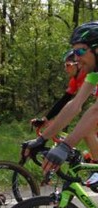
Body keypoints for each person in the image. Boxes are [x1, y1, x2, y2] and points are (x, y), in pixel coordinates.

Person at [24, 21, 98, 185]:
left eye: (80, 51)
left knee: (89, 131)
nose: (76, 58)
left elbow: (95, 111)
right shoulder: (94, 72)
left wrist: (66, 146)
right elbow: (75, 104)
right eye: (74, 52)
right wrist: (42, 139)